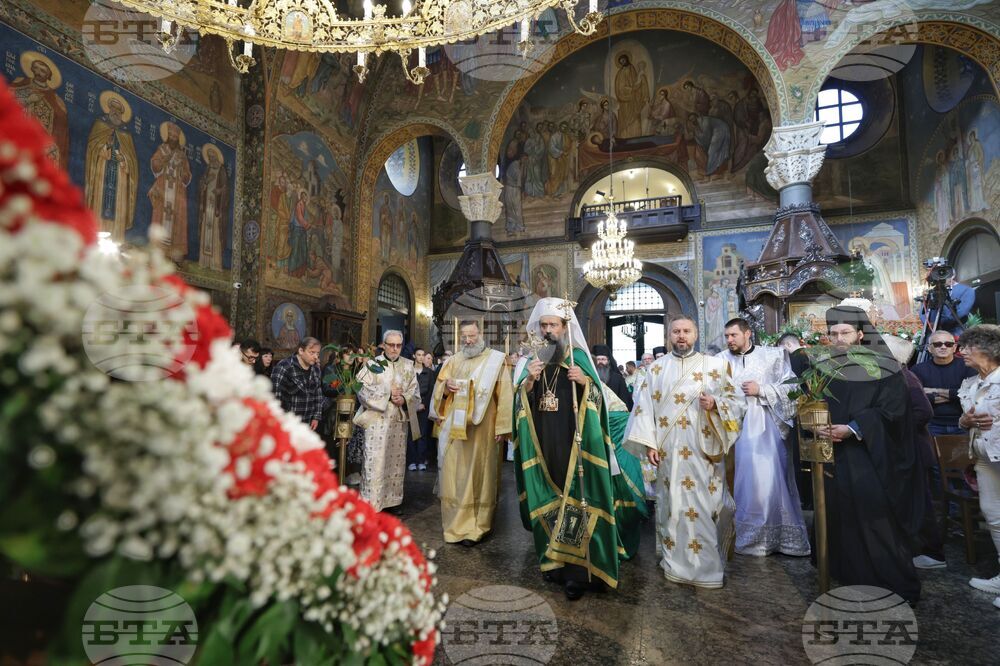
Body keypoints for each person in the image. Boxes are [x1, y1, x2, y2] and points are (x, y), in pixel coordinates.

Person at [625, 314, 746, 588]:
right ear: (669, 336)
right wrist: (649, 443)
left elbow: (738, 403)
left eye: (686, 331)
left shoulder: (716, 365)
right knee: (673, 506)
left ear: (696, 335)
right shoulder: (655, 370)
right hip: (669, 453)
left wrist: (716, 403)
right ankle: (674, 561)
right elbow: (644, 409)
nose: (681, 336)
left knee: (707, 506)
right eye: (676, 331)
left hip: (704, 450)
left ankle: (707, 567)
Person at [513, 298, 621, 600]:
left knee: (577, 495)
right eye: (544, 325)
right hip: (544, 443)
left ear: (564, 327)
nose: (548, 331)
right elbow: (519, 406)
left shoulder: (578, 359)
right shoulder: (532, 360)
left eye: (553, 325)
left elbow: (599, 403)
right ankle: (555, 560)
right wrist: (530, 383)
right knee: (551, 495)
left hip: (576, 441)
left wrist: (585, 382)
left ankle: (578, 571)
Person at [818, 306, 923, 603]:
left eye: (845, 333)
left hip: (871, 457)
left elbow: (893, 411)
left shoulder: (883, 367)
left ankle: (892, 584)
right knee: (844, 518)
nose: (839, 338)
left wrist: (852, 429)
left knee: (874, 521)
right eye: (833, 333)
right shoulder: (828, 367)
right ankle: (852, 577)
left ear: (861, 335)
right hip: (836, 456)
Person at [719, 319, 809, 557]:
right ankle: (741, 537)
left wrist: (763, 390)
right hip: (732, 431)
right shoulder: (719, 361)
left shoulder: (774, 357)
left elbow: (794, 390)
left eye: (733, 335)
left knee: (768, 481)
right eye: (726, 336)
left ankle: (776, 538)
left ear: (748, 333)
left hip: (765, 429)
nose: (729, 340)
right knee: (739, 482)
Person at [429, 321, 512, 546]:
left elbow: (505, 394)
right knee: (454, 473)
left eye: (472, 336)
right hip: (456, 428)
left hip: (483, 428)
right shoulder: (453, 360)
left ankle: (478, 526)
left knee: (479, 474)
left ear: (481, 334)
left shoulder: (496, 360)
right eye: (464, 336)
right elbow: (439, 389)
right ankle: (456, 524)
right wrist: (446, 388)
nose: (468, 340)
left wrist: (503, 427)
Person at [884, 335, 947, 571]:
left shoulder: (904, 378)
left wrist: (892, 429)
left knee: (920, 504)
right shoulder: (898, 376)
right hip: (908, 450)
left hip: (914, 450)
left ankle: (932, 553)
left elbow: (923, 412)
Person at [956, 325, 1000, 608]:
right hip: (985, 457)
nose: (962, 352)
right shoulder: (970, 383)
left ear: (988, 349)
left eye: (967, 347)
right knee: (993, 515)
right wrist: (966, 422)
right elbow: (963, 421)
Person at [354, 330, 419, 513]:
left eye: (399, 345)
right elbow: (361, 389)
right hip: (377, 422)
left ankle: (392, 501)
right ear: (384, 345)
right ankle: (372, 504)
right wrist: (387, 396)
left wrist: (404, 399)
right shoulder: (373, 364)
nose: (395, 349)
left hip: (398, 422)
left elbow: (415, 392)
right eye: (391, 345)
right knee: (375, 462)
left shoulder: (408, 365)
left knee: (395, 463)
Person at [912, 330, 978, 436]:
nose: (943, 347)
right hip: (931, 424)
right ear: (929, 348)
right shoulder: (918, 370)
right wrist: (955, 394)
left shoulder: (968, 366)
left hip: (964, 423)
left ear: (954, 348)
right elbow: (917, 399)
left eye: (948, 344)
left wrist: (934, 391)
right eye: (938, 344)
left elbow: (972, 395)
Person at [271, 337, 324, 431]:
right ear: (301, 350)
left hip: (308, 423)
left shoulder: (316, 369)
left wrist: (316, 416)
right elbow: (276, 396)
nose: (316, 357)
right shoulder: (284, 367)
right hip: (288, 423)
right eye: (312, 352)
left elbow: (318, 394)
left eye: (318, 353)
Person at [408, 348, 434, 472]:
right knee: (412, 434)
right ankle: (412, 461)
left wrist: (424, 404)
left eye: (423, 355)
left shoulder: (429, 372)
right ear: (414, 356)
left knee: (423, 434)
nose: (421, 357)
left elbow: (431, 391)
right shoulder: (409, 371)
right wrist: (412, 405)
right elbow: (405, 388)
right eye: (418, 355)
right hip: (410, 406)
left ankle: (421, 460)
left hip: (424, 407)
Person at [592, 344, 633, 410]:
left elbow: (625, 400)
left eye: (603, 359)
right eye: (598, 359)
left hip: (614, 415)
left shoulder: (618, 379)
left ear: (608, 361)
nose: (600, 362)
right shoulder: (590, 377)